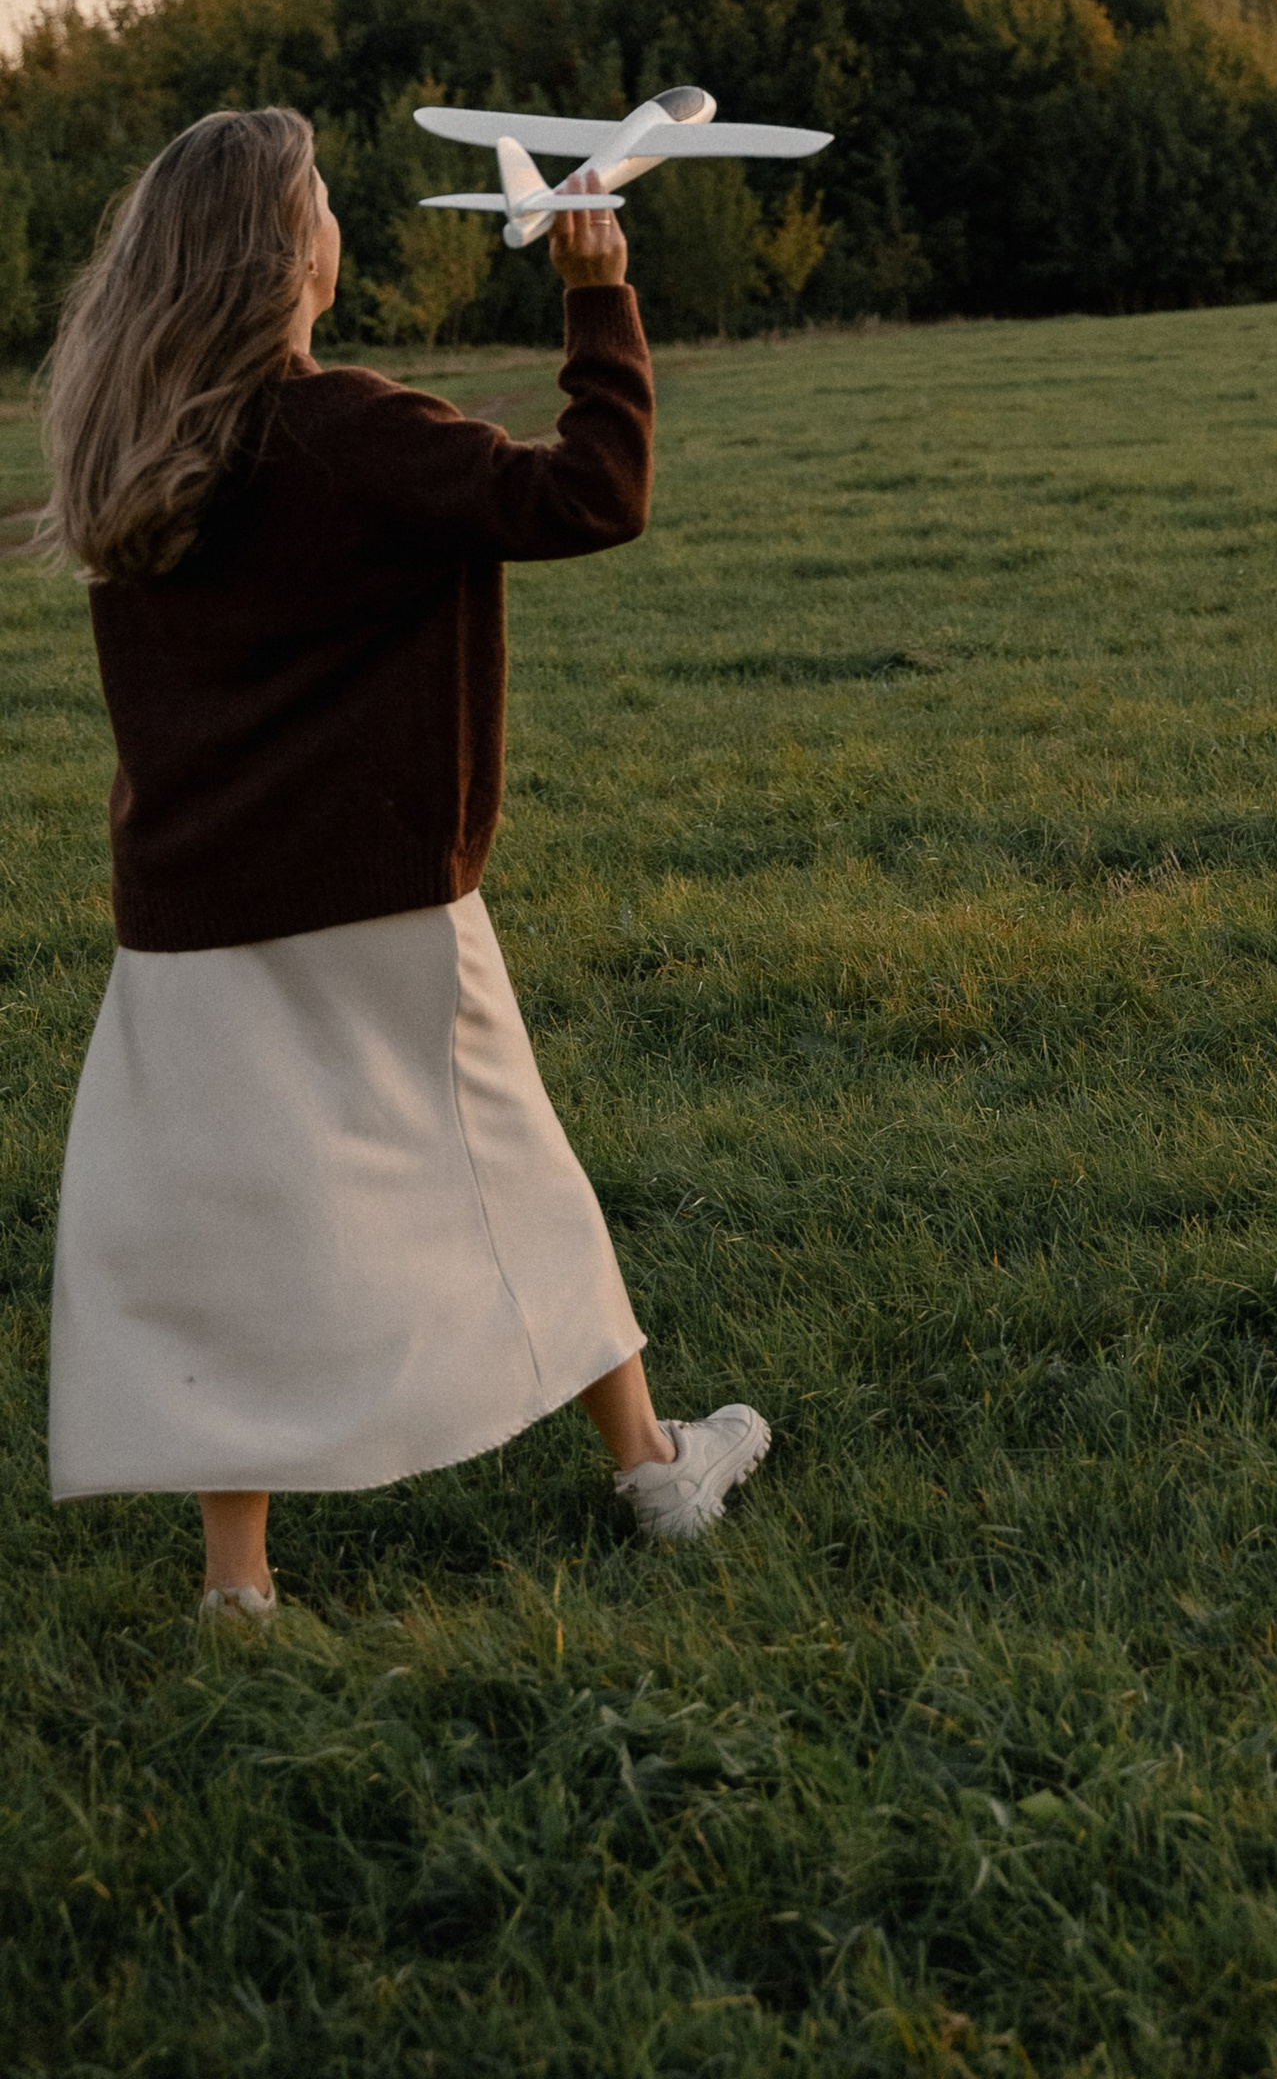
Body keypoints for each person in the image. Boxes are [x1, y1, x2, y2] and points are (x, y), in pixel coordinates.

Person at [33, 106, 770, 1623]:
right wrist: (596, 293)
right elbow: (591, 496)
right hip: (381, 903)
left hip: (189, 915)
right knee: (515, 1180)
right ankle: (652, 1469)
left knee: (217, 1233)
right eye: (320, 204)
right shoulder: (356, 431)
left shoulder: (124, 455)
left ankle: (238, 1581)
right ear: (295, 257)